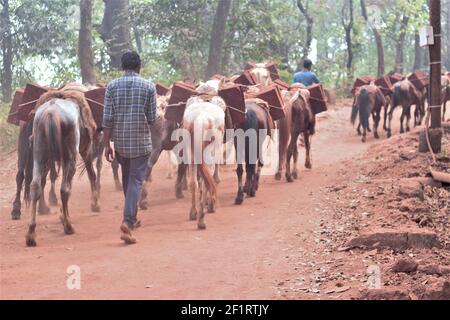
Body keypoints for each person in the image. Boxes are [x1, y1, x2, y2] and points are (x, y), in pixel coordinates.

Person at [102, 51, 157, 245]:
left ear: (122, 67)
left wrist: (107, 144)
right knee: (135, 182)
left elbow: (107, 119)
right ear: (139, 66)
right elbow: (152, 118)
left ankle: (131, 217)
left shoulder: (112, 86)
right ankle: (127, 221)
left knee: (127, 180)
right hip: (141, 142)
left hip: (121, 143)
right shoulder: (149, 86)